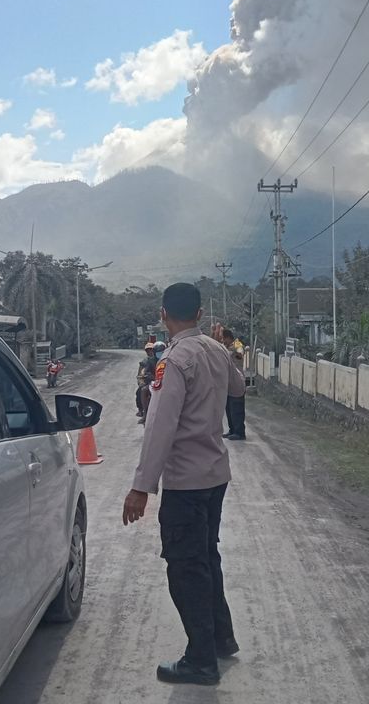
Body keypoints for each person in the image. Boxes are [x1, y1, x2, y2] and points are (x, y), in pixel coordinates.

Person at [122, 283, 245, 687]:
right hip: (215, 474)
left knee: (186, 568)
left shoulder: (174, 360)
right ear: (200, 311)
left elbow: (160, 426)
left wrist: (142, 487)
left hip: (187, 481)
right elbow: (238, 388)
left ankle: (200, 659)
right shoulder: (215, 349)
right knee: (206, 557)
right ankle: (221, 638)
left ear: (163, 315)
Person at [218, 327, 247, 441]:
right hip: (228, 382)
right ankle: (232, 430)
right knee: (229, 408)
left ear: (229, 337)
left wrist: (237, 354)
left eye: (224, 339)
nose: (223, 341)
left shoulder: (237, 344)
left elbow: (240, 352)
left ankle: (240, 432)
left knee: (237, 408)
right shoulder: (225, 347)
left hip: (237, 381)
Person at [137, 342, 159, 423]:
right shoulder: (146, 361)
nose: (150, 352)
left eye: (151, 350)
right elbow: (142, 372)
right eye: (148, 350)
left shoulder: (164, 359)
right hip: (150, 381)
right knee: (141, 391)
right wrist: (142, 380)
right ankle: (144, 413)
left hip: (163, 381)